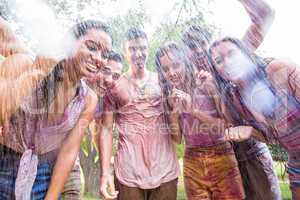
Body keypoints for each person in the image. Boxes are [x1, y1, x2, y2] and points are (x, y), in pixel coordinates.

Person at [0, 19, 113, 200]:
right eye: (91, 47)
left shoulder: (88, 99)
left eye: (105, 54)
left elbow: (68, 151)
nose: (99, 58)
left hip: (44, 172)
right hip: (4, 164)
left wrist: (51, 197)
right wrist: (35, 74)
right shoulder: (22, 63)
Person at [181, 0, 280, 199]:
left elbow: (265, 15)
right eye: (192, 46)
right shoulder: (189, 82)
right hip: (222, 164)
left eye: (201, 42)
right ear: (186, 53)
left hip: (251, 154)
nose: (199, 49)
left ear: (209, 42)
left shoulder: (232, 58)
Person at [208, 36, 300, 200]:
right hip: (296, 163)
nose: (228, 62)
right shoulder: (236, 99)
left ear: (245, 53)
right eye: (219, 61)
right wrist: (250, 131)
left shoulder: (278, 70)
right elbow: (272, 137)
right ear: (217, 71)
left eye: (232, 54)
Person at [155, 41, 245, 200]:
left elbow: (228, 126)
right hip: (192, 161)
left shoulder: (206, 84)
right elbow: (177, 139)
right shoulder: (169, 97)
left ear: (185, 62)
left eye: (176, 65)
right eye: (166, 69)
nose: (172, 72)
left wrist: (194, 111)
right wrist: (175, 113)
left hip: (221, 156)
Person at [99, 28, 179, 200]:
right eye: (132, 49)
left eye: (142, 48)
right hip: (128, 173)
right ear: (125, 51)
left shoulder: (163, 81)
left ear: (148, 49)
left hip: (165, 170)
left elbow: (176, 127)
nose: (138, 53)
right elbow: (106, 129)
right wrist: (105, 173)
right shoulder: (115, 86)